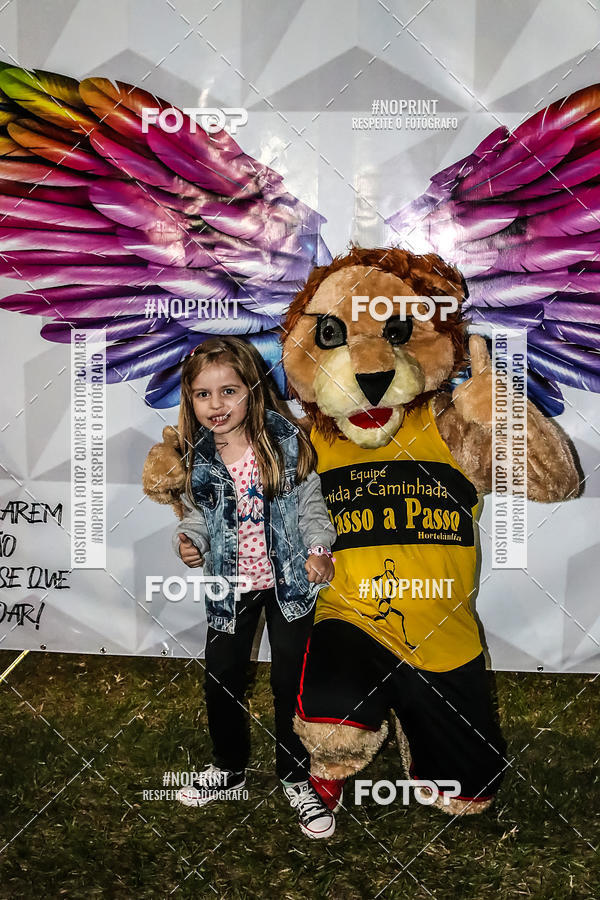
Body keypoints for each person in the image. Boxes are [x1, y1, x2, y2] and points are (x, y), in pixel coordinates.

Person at [171, 336, 338, 839]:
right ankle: (228, 767)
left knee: (291, 682)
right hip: (229, 586)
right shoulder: (198, 455)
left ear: (254, 390)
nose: (216, 405)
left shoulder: (285, 443)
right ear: (190, 399)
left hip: (288, 584)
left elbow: (312, 507)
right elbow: (198, 514)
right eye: (203, 395)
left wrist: (319, 550)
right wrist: (190, 540)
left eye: (229, 391)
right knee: (221, 675)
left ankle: (294, 774)